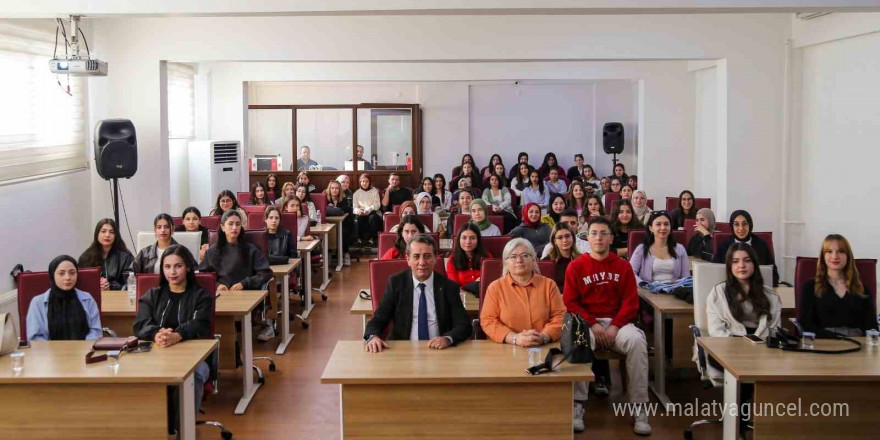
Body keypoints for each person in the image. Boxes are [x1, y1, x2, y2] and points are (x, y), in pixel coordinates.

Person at [563, 216, 650, 435]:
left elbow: (631, 302)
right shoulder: (576, 266)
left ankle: (639, 407)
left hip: (618, 324)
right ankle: (578, 404)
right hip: (587, 323)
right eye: (594, 233)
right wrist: (592, 324)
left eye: (603, 233)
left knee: (638, 341)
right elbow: (570, 302)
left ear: (611, 238)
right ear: (587, 238)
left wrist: (615, 326)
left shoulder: (623, 266)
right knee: (578, 339)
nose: (599, 238)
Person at [133, 245, 212, 418]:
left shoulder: (201, 296)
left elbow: (201, 325)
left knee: (196, 374)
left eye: (178, 266)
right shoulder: (152, 295)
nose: (172, 272)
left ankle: (182, 429)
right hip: (156, 354)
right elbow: (140, 324)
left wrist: (177, 335)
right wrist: (156, 334)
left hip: (194, 357)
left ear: (188, 267)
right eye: (167, 267)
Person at [364, 235, 472, 352]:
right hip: (402, 350)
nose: (422, 262)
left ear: (435, 258)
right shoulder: (396, 283)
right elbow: (378, 319)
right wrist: (372, 337)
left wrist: (447, 338)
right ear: (408, 259)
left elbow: (464, 325)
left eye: (427, 256)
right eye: (416, 256)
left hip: (440, 351)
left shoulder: (448, 287)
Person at [480, 237, 565, 352]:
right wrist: (514, 338)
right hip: (506, 349)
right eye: (513, 257)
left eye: (525, 255)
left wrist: (544, 336)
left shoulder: (549, 285)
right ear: (506, 262)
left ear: (533, 259)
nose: (519, 260)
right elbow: (488, 321)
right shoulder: (495, 288)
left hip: (544, 348)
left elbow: (560, 317)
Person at [198, 210, 273, 339]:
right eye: (230, 224)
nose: (234, 227)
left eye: (238, 224)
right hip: (222, 296)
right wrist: (216, 285)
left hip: (246, 295)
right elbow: (203, 276)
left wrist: (245, 283)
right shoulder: (212, 251)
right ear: (222, 227)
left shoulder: (250, 249)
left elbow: (266, 273)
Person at [799, 234, 877, 338]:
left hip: (857, 343)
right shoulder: (810, 287)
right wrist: (837, 339)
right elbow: (806, 324)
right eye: (829, 251)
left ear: (848, 256)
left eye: (841, 251)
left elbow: (872, 327)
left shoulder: (862, 290)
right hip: (824, 343)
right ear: (823, 256)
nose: (835, 256)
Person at [707, 243, 781, 339]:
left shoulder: (771, 295)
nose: (741, 265)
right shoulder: (718, 293)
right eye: (735, 261)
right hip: (729, 344)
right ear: (730, 266)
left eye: (747, 261)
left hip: (762, 344)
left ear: (754, 264)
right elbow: (715, 331)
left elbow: (775, 331)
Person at [27, 255, 102, 341]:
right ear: (52, 275)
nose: (67, 278)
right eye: (61, 273)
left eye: (72, 273)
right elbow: (35, 338)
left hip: (83, 352)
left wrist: (83, 349)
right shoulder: (37, 303)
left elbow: (96, 332)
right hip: (49, 353)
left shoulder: (88, 299)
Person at [713, 209, 779, 286]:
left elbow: (773, 274)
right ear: (732, 226)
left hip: (758, 289)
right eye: (737, 224)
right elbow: (716, 273)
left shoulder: (761, 245)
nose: (741, 228)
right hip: (731, 289)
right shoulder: (724, 246)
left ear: (750, 225)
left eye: (744, 224)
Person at [629, 211, 689, 284]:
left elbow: (686, 276)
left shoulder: (680, 249)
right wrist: (642, 284)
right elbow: (630, 273)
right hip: (648, 292)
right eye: (658, 224)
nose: (663, 227)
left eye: (666, 224)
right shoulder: (641, 249)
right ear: (651, 228)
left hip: (674, 292)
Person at [78, 219, 134, 291]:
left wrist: (111, 286)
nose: (107, 235)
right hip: (93, 298)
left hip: (118, 298)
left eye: (111, 232)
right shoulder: (86, 257)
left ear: (116, 235)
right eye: (103, 231)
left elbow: (132, 284)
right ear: (97, 234)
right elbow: (80, 282)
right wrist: (96, 286)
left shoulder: (126, 257)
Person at [446, 222, 492, 291]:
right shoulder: (452, 260)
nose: (468, 242)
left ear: (478, 240)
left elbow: (492, 281)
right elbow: (453, 287)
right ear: (459, 240)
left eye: (472, 238)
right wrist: (471, 286)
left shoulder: (487, 257)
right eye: (464, 238)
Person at [542, 223, 582, 290]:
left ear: (572, 237)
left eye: (567, 236)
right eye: (560, 237)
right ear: (554, 241)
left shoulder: (581, 259)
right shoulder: (547, 262)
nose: (564, 240)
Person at [325, 180, 355, 266]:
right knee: (328, 233)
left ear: (340, 190)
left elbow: (343, 210)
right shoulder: (325, 199)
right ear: (329, 189)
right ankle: (328, 254)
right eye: (332, 188)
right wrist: (336, 210)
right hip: (328, 223)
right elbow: (325, 211)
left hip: (343, 224)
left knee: (344, 232)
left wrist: (333, 210)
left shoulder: (343, 199)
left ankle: (346, 254)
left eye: (337, 188)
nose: (334, 190)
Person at [353, 173, 382, 245]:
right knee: (358, 219)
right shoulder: (356, 193)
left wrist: (369, 209)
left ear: (369, 182)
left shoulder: (375, 191)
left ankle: (372, 239)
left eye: (366, 181)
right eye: (362, 181)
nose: (364, 183)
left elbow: (377, 204)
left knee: (373, 218)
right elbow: (355, 207)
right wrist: (359, 211)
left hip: (372, 212)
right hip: (361, 213)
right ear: (360, 182)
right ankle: (359, 240)